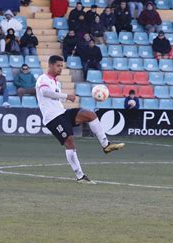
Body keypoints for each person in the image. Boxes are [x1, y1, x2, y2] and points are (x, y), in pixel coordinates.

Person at [35, 55, 125, 183]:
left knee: (90, 114)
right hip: (52, 118)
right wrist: (66, 96)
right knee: (70, 141)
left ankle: (106, 145)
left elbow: (55, 98)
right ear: (50, 65)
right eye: (58, 66)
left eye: (62, 66)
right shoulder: (42, 79)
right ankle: (80, 176)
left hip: (62, 112)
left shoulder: (57, 82)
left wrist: (63, 97)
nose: (60, 68)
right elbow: (45, 93)